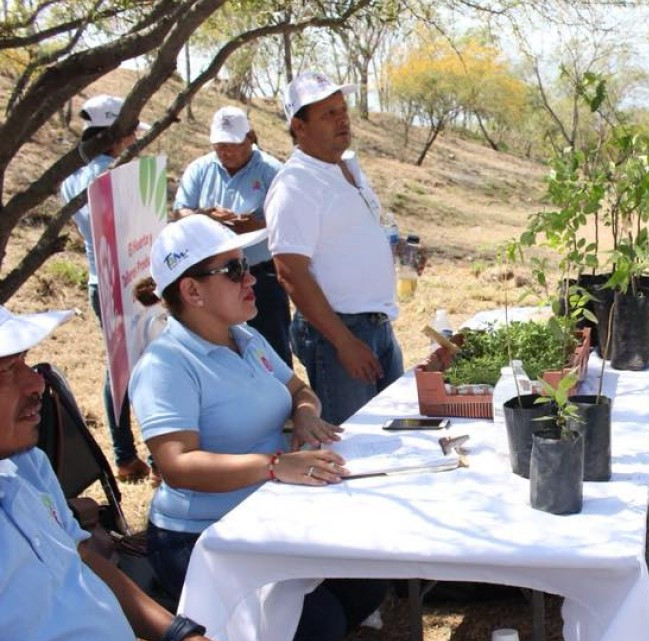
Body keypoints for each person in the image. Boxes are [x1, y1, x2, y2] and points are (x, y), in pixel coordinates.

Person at [129, 215, 386, 641]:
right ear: (192, 291)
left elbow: (299, 389)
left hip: (269, 510)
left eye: (246, 265)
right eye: (233, 270)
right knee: (318, 623)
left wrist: (305, 414)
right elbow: (177, 465)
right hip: (202, 537)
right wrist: (274, 465)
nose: (251, 279)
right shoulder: (166, 365)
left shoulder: (246, 338)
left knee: (368, 583)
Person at [0, 305, 212, 641]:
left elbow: (79, 557)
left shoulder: (27, 465)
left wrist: (181, 635)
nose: (36, 382)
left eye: (25, 361)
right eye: (7, 370)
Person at [266, 71, 413, 425]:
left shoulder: (347, 168)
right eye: (328, 114)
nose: (342, 119)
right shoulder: (295, 184)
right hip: (338, 334)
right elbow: (290, 273)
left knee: (394, 433)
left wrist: (395, 250)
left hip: (378, 326)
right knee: (356, 440)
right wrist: (343, 342)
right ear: (299, 127)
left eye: (342, 109)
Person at [59, 93, 153, 484]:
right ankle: (144, 455)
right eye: (129, 132)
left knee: (119, 365)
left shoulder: (71, 178)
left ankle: (127, 454)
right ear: (113, 133)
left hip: (100, 281)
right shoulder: (115, 176)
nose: (133, 138)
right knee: (142, 363)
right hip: (132, 282)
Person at [173, 106, 291, 365]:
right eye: (220, 145)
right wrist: (205, 217)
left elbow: (289, 222)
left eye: (233, 144)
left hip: (261, 276)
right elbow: (181, 210)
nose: (226, 151)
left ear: (251, 137)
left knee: (272, 351)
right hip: (212, 279)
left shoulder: (273, 172)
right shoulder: (200, 169)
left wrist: (252, 225)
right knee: (218, 350)